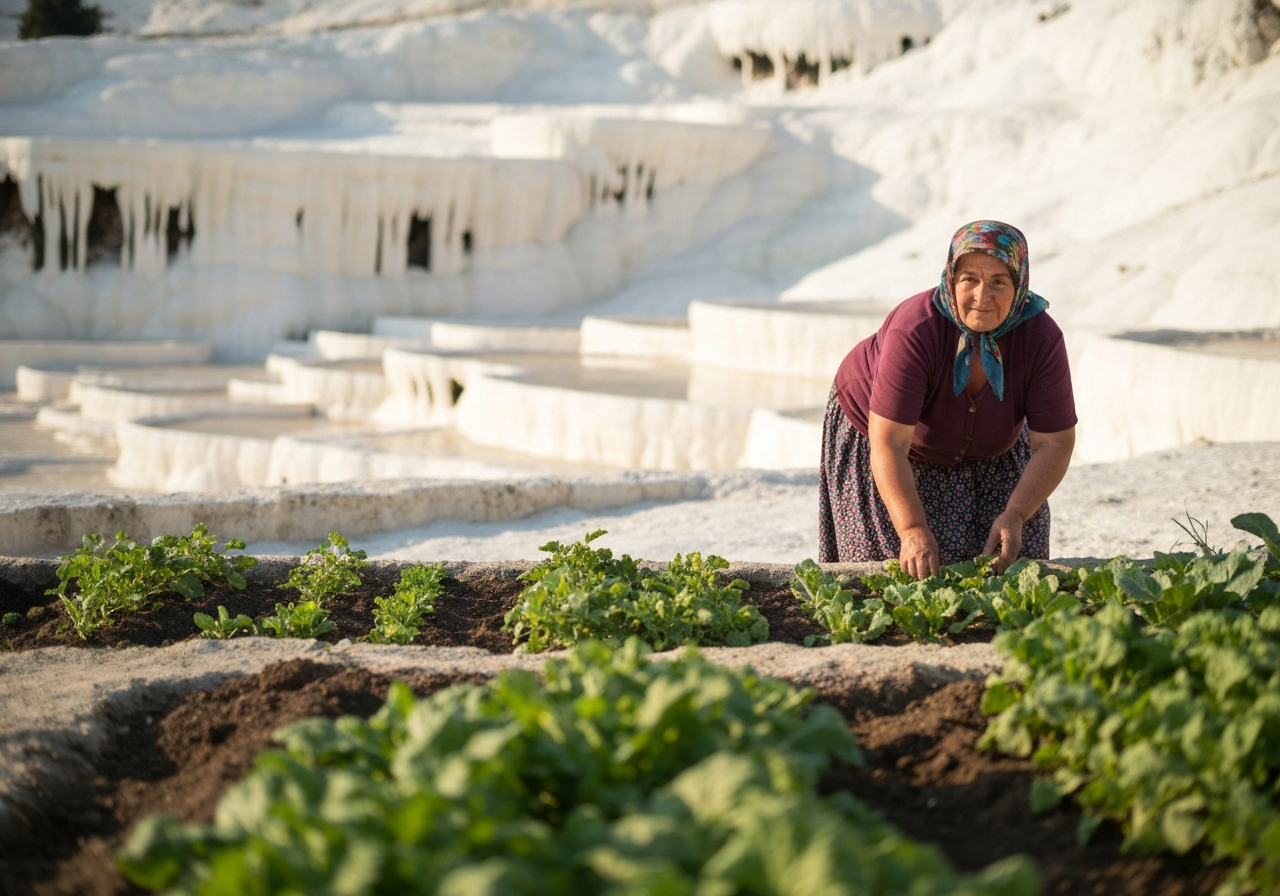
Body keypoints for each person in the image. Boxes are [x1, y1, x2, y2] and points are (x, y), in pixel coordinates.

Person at [818, 220, 1076, 578]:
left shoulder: (1040, 339)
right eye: (969, 279)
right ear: (951, 279)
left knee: (1009, 561)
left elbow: (1055, 443)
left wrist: (1016, 513)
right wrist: (911, 530)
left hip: (992, 447)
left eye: (999, 282)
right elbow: (889, 442)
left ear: (1019, 285)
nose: (981, 298)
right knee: (891, 569)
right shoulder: (916, 329)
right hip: (885, 438)